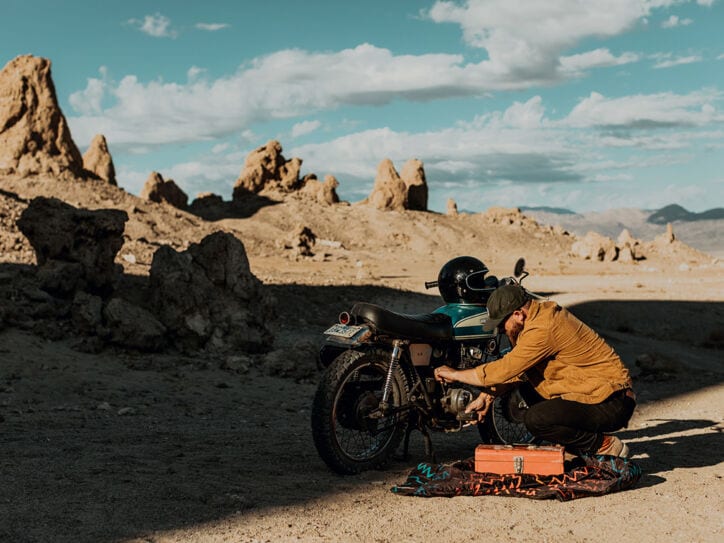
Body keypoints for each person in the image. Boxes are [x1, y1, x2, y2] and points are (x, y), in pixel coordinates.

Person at [434, 284, 636, 457]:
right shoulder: (537, 318)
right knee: (530, 389)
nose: (502, 331)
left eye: (503, 325)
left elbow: (504, 369)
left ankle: (603, 445)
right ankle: (574, 444)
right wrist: (486, 397)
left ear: (518, 314)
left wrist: (453, 374)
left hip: (612, 401)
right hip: (595, 393)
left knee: (536, 419)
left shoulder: (543, 329)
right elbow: (520, 372)